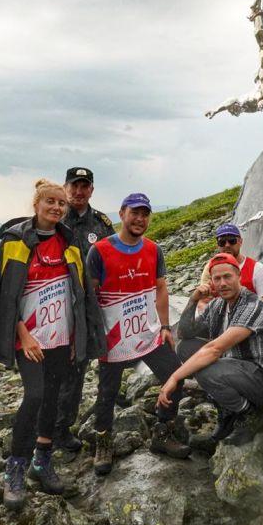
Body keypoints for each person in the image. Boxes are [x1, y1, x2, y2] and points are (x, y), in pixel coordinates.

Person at [0, 180, 105, 511]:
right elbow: (3, 297)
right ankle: (15, 468)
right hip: (30, 341)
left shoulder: (70, 243)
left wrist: (80, 336)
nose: (57, 208)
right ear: (36, 204)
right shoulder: (15, 243)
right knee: (34, 396)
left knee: (52, 398)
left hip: (61, 338)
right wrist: (22, 334)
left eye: (61, 204)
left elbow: (80, 295)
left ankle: (42, 461)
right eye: (50, 201)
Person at [87, 193, 191, 475]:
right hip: (115, 337)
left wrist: (167, 326)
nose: (140, 219)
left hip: (148, 332)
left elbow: (160, 288)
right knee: (107, 392)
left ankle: (163, 431)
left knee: (175, 376)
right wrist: (94, 337)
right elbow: (90, 296)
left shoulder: (153, 250)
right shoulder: (100, 251)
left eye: (145, 214)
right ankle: (103, 442)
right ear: (122, 213)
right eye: (135, 213)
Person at [161, 253, 263, 445]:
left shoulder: (251, 305)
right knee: (185, 348)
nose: (222, 283)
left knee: (206, 369)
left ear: (239, 276)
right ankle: (228, 407)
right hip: (235, 367)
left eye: (227, 277)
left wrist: (175, 377)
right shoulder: (217, 305)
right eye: (217, 278)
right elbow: (184, 333)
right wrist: (193, 300)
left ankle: (247, 413)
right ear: (211, 282)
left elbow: (215, 349)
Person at [54, 166, 115, 454]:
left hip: (88, 309)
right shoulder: (53, 218)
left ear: (91, 189)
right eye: (74, 186)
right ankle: (43, 426)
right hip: (55, 306)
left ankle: (62, 429)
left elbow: (113, 261)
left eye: (84, 186)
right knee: (50, 369)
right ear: (65, 187)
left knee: (77, 367)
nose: (78, 191)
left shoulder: (101, 224)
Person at [197, 223, 263, 311]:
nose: (227, 245)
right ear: (218, 245)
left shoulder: (256, 268)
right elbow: (202, 301)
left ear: (240, 242)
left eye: (232, 240)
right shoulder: (210, 268)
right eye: (222, 242)